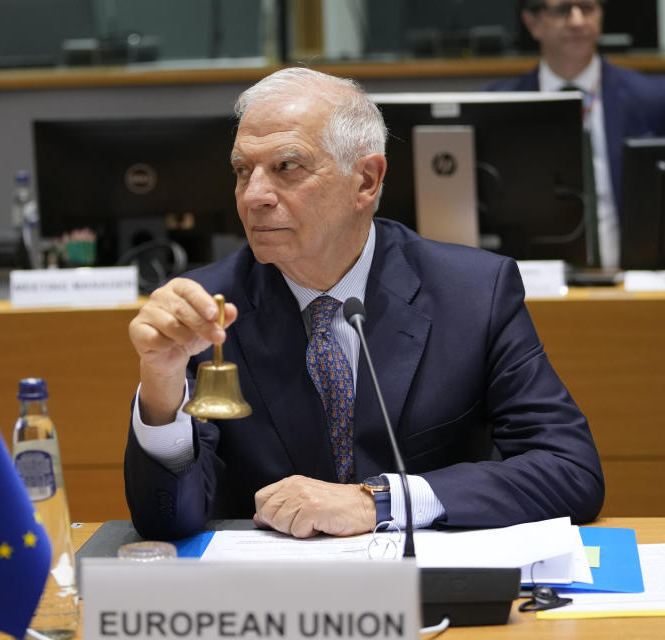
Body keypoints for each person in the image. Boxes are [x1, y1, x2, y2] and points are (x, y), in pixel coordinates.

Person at [125, 67, 604, 542]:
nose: (254, 196)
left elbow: (570, 471)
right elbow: (168, 522)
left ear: (367, 181)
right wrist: (163, 389)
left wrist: (381, 501)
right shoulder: (207, 308)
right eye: (242, 171)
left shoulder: (474, 292)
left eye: (287, 167)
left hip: (427, 594)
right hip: (273, 600)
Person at [486, 0, 665, 268]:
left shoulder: (651, 98)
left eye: (587, 8)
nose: (578, 21)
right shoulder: (499, 105)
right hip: (532, 285)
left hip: (632, 282)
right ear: (532, 23)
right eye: (562, 10)